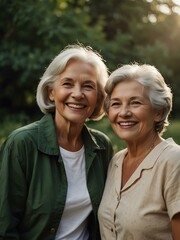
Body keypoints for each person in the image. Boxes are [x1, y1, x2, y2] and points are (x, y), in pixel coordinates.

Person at [0, 44, 113, 240]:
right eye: (67, 84)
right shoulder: (22, 144)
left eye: (88, 86)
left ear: (98, 97)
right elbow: (5, 227)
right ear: (51, 92)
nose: (77, 94)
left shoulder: (102, 146)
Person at [98, 63, 180, 240]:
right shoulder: (115, 162)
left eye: (135, 103)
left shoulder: (174, 161)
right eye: (116, 104)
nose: (124, 112)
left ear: (157, 111)